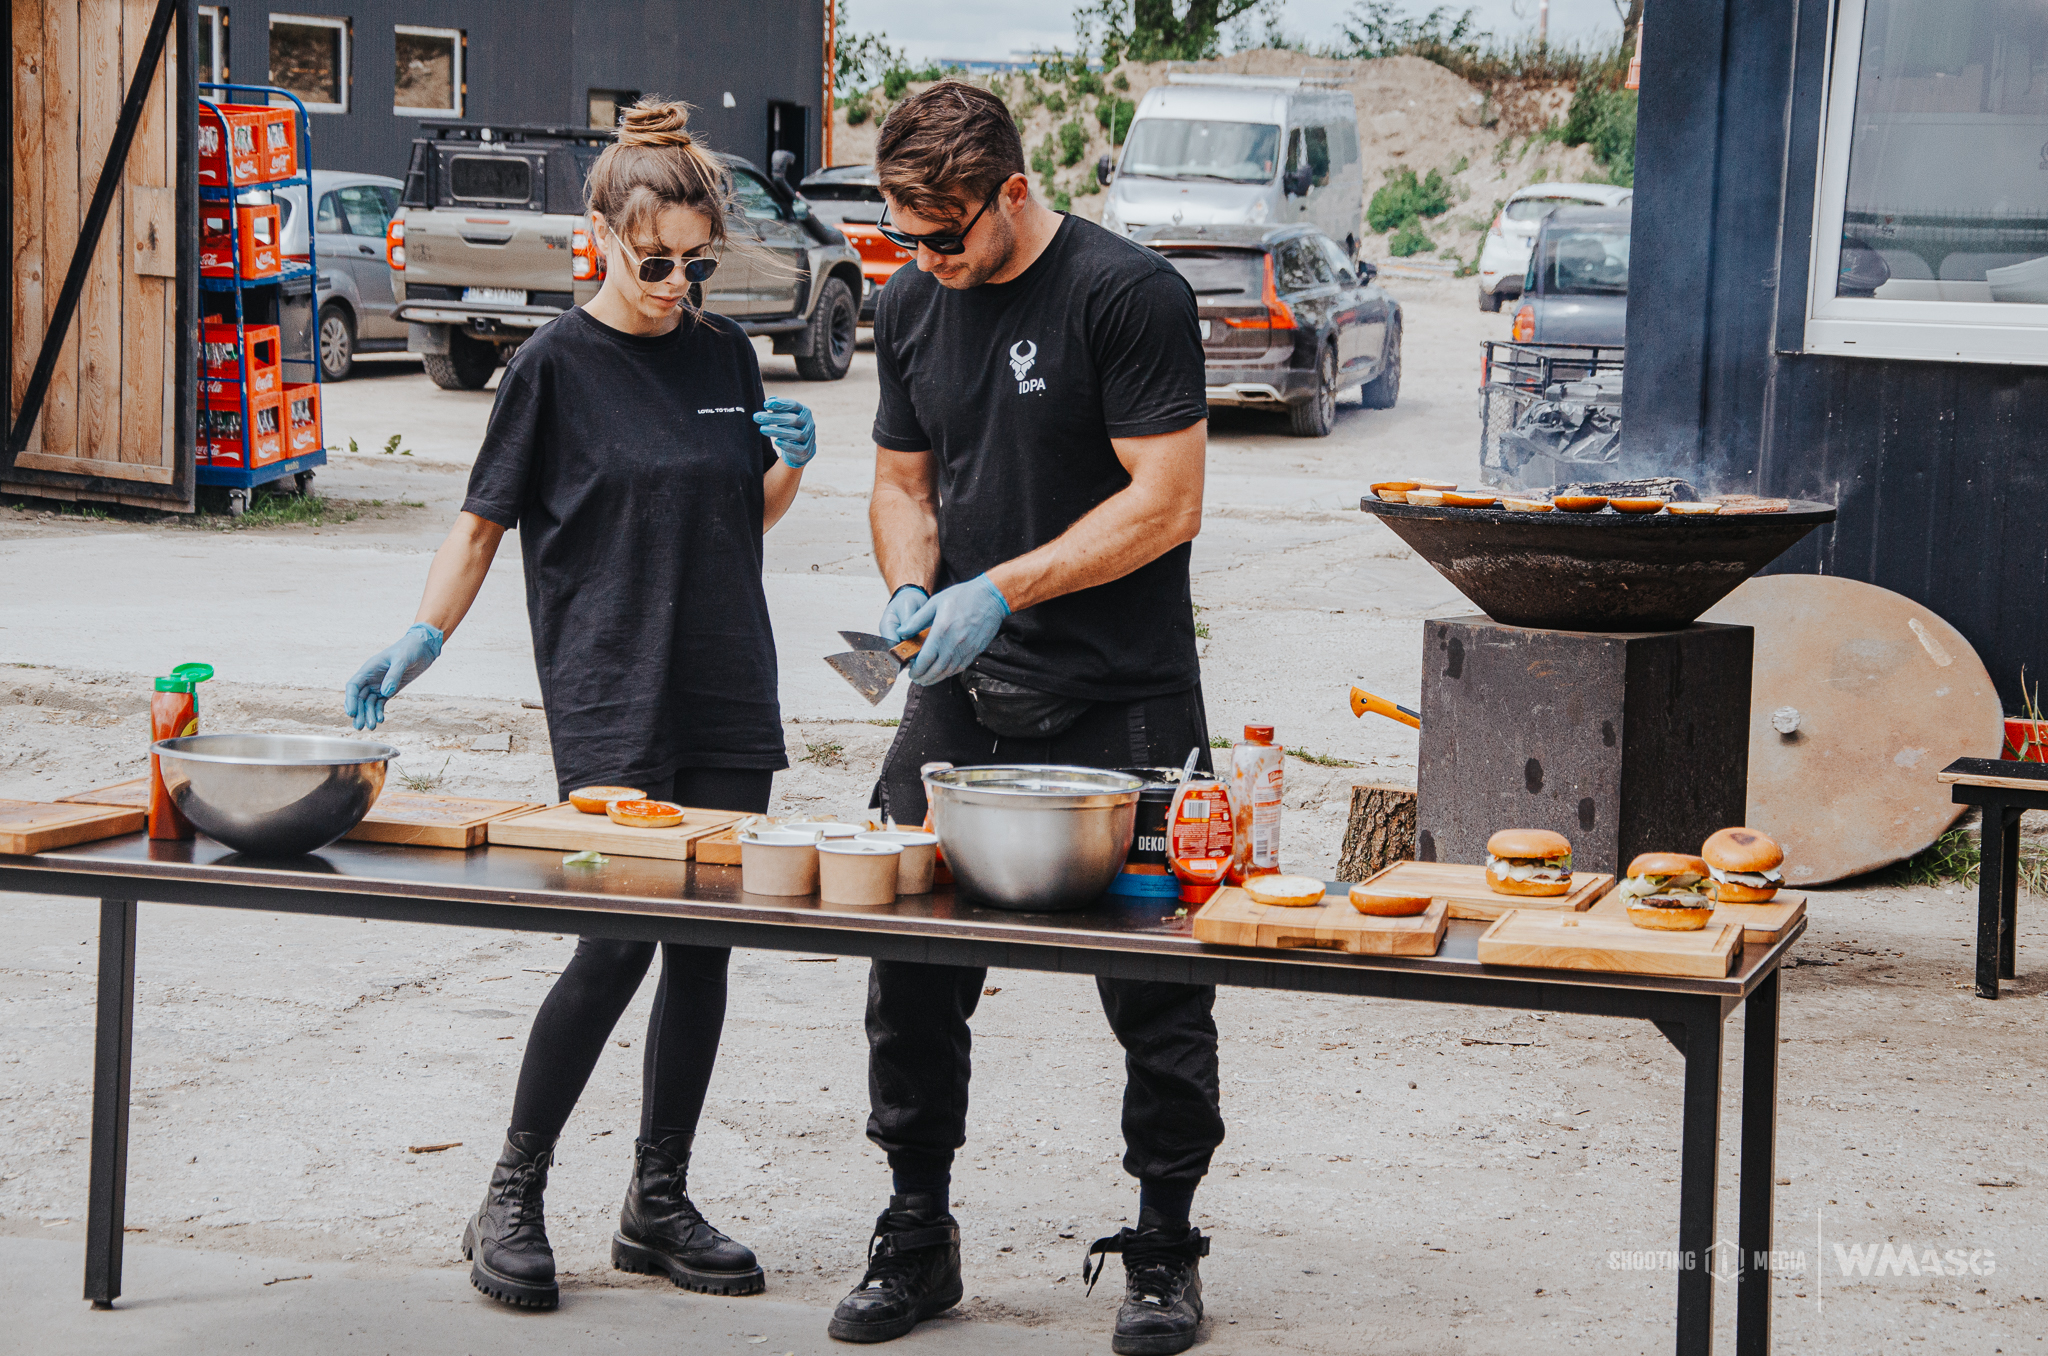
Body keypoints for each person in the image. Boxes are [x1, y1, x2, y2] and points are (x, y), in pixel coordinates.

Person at [342, 97, 816, 1313]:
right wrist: (421, 637)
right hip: (610, 690)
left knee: (707, 949)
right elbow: (482, 522)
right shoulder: (549, 368)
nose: (673, 281)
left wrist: (789, 467)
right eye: (653, 259)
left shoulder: (722, 355)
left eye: (694, 260)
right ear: (599, 234)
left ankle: (657, 1201)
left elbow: (732, 516)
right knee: (613, 944)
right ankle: (510, 1191)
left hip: (725, 680)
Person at [828, 82, 1221, 1356]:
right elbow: (899, 478)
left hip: (1122, 688)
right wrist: (908, 580)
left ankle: (1162, 1245)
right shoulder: (907, 300)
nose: (925, 263)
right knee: (909, 960)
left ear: (1011, 191)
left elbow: (1165, 501)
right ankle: (916, 1228)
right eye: (902, 241)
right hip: (960, 684)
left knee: (1156, 975)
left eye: (946, 237)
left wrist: (1001, 586)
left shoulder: (1127, 294)